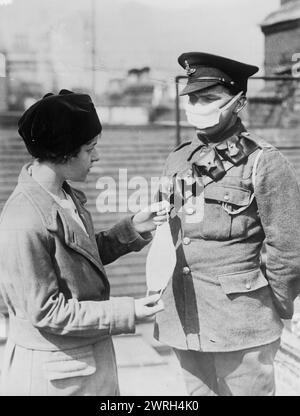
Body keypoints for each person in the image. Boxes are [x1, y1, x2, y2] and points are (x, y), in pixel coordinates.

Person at [0, 89, 167, 396]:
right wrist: (128, 311)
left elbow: (77, 261)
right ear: (64, 153)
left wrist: (132, 229)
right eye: (90, 150)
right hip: (53, 378)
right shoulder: (22, 219)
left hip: (81, 368)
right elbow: (47, 312)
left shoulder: (63, 195)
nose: (97, 157)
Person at [154, 52, 300, 396]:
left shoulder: (264, 161)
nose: (198, 105)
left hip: (242, 325)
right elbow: (170, 231)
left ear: (239, 101)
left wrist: (265, 306)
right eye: (193, 98)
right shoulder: (179, 159)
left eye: (209, 98)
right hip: (186, 321)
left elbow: (289, 248)